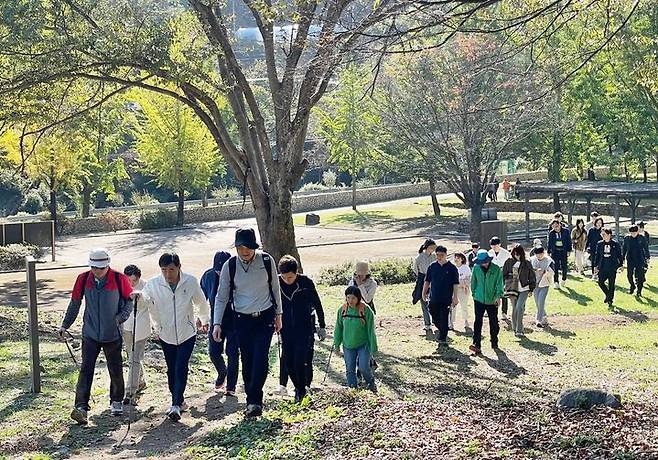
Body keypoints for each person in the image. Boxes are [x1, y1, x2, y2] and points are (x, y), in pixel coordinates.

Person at [212, 228, 283, 418]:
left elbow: (275, 289)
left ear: (254, 247)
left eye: (248, 248)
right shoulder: (230, 266)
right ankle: (251, 400)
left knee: (261, 358)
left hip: (265, 316)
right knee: (248, 359)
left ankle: (255, 400)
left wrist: (279, 314)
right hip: (241, 319)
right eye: (240, 247)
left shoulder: (267, 261)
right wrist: (216, 323)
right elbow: (221, 297)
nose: (245, 252)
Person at [59, 248, 133, 425]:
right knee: (86, 370)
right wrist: (64, 325)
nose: (97, 271)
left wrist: (120, 318)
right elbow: (75, 303)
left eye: (100, 268)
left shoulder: (119, 278)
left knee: (115, 369)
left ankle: (116, 401)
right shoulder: (83, 278)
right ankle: (81, 407)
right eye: (94, 267)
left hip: (112, 333)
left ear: (107, 265)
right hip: (90, 333)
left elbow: (129, 301)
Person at [141, 253, 209, 421]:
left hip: (187, 332)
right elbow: (144, 300)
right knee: (171, 369)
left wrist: (204, 319)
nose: (168, 274)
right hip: (165, 333)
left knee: (181, 366)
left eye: (171, 270)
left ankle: (175, 404)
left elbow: (201, 302)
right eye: (164, 270)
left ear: (179, 267)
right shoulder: (153, 284)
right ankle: (179, 399)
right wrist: (137, 297)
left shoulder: (190, 281)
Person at [277, 255, 327, 402]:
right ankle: (299, 388)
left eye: (290, 277)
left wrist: (322, 326)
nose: (287, 280)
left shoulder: (306, 283)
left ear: (296, 273)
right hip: (285, 329)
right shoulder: (277, 283)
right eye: (284, 277)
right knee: (288, 361)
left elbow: (317, 304)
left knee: (300, 360)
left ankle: (301, 390)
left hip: (304, 328)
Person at [200, 251, 239, 395]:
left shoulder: (237, 276)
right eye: (218, 271)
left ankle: (231, 386)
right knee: (214, 352)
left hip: (234, 319)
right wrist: (201, 317)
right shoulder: (207, 276)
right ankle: (222, 372)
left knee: (233, 353)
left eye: (223, 271)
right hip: (216, 319)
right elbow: (201, 298)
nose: (220, 274)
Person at [333, 286, 378, 392]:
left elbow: (371, 330)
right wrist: (336, 344)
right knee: (350, 369)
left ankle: (371, 383)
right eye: (348, 298)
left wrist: (373, 347)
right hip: (348, 345)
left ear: (358, 298)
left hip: (363, 344)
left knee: (363, 367)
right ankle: (353, 390)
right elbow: (338, 328)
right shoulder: (342, 310)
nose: (350, 301)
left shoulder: (366, 310)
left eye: (353, 298)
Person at [122, 264, 153, 406]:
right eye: (129, 280)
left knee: (134, 359)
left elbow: (151, 303)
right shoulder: (122, 285)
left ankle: (130, 392)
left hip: (141, 326)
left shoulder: (146, 285)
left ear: (138, 278)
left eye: (134, 280)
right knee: (131, 357)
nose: (131, 283)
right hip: (126, 326)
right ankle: (141, 381)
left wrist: (141, 298)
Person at [422, 245, 459, 347]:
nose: (439, 257)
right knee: (434, 315)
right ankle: (442, 330)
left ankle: (443, 338)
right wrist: (423, 292)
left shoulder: (452, 268)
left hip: (446, 298)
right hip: (434, 297)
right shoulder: (432, 267)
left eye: (441, 255)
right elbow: (427, 281)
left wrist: (455, 297)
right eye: (437, 255)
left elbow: (455, 283)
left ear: (446, 255)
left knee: (444, 317)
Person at [469, 250, 504, 355]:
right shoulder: (476, 268)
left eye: (485, 261)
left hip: (492, 300)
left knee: (493, 322)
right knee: (477, 321)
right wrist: (474, 294)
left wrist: (498, 296)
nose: (483, 264)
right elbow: (473, 282)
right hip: (479, 299)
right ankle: (476, 344)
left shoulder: (496, 269)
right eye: (481, 262)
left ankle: (494, 342)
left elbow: (499, 284)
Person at [503, 245, 536, 338]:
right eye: (515, 254)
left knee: (519, 307)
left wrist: (531, 288)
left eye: (519, 254)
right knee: (514, 308)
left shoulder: (526, 263)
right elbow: (503, 274)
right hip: (512, 288)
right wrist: (510, 279)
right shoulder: (508, 262)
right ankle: (515, 327)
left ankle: (520, 330)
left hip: (524, 288)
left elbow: (532, 276)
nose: (517, 256)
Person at [594, 228, 623, 308]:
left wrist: (620, 265)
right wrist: (595, 266)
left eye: (604, 234)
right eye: (602, 235)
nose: (603, 236)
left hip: (612, 267)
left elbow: (619, 255)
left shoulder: (615, 244)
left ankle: (610, 300)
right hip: (602, 266)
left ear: (609, 235)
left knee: (611, 284)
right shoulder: (599, 243)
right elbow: (597, 255)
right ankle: (608, 295)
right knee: (600, 282)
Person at [412, 239, 437, 333]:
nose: (433, 250)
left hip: (434, 279)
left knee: (434, 301)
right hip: (422, 279)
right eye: (431, 248)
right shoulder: (419, 257)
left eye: (434, 248)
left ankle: (435, 321)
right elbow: (416, 270)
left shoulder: (434, 256)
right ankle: (427, 324)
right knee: (423, 302)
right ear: (427, 247)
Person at [530, 247, 554, 328]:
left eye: (541, 254)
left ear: (544, 253)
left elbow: (552, 272)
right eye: (537, 254)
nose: (539, 256)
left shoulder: (549, 260)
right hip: (535, 284)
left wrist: (544, 272)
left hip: (544, 284)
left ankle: (538, 320)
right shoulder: (532, 260)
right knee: (537, 302)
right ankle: (544, 316)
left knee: (541, 301)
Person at [623, 225, 650, 297]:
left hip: (640, 259)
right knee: (629, 275)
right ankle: (632, 285)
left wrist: (647, 258)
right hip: (630, 259)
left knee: (640, 276)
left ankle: (639, 291)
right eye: (631, 233)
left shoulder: (642, 238)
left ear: (637, 231)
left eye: (634, 233)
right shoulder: (627, 238)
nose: (633, 234)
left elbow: (646, 248)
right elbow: (624, 249)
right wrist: (622, 258)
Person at [488, 237, 511, 320]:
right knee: (493, 293)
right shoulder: (489, 253)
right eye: (492, 245)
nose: (494, 247)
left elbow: (509, 264)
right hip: (493, 275)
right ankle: (492, 311)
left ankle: (504, 312)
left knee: (503, 293)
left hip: (504, 274)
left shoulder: (506, 253)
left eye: (496, 245)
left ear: (499, 244)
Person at [547, 219, 572, 288]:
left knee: (564, 266)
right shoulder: (551, 233)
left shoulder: (566, 231)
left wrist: (569, 250)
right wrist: (549, 252)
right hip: (555, 252)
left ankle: (564, 278)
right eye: (554, 227)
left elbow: (569, 241)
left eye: (557, 226)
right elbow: (549, 243)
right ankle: (556, 282)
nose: (556, 228)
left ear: (560, 225)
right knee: (555, 267)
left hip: (563, 251)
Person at [451, 253, 471, 330]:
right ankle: (451, 323)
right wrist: (459, 282)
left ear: (462, 259)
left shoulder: (466, 268)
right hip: (453, 289)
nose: (456, 259)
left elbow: (468, 279)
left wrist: (461, 283)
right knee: (453, 306)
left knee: (464, 306)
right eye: (455, 257)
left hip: (463, 289)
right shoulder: (452, 267)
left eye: (458, 258)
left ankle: (466, 320)